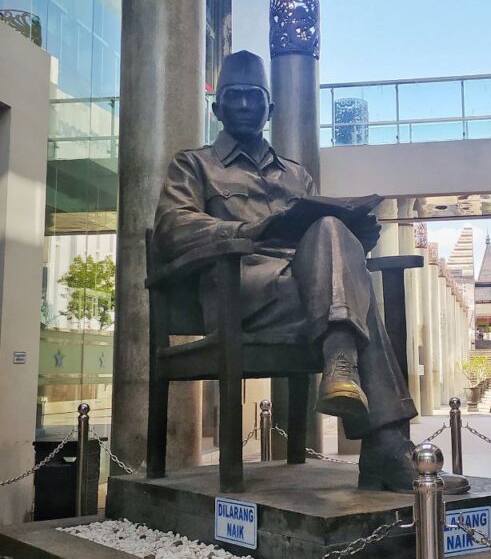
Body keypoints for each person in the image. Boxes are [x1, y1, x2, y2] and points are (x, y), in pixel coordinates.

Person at [153, 50, 468, 493]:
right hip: (240, 293)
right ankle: (383, 445)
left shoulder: (296, 176)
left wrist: (357, 238)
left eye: (254, 96)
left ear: (270, 109)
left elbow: (322, 242)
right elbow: (172, 227)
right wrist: (254, 228)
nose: (244, 105)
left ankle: (346, 371)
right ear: (217, 107)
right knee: (354, 300)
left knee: (333, 231)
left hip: (308, 295)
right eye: (234, 96)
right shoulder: (193, 165)